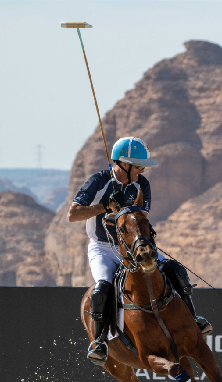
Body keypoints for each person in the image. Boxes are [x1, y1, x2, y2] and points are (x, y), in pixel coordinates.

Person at [68, 136, 212, 365]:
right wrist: (103, 206)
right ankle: (99, 341)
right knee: (102, 288)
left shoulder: (141, 184)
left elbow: (138, 217)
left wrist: (119, 211)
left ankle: (194, 319)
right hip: (103, 247)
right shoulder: (99, 181)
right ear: (123, 163)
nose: (143, 170)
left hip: (133, 245)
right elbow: (73, 214)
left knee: (175, 269)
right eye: (139, 165)